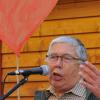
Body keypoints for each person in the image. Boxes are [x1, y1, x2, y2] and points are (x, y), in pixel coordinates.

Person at [34, 36, 100, 100]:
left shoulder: (96, 95)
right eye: (53, 57)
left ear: (82, 65)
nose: (58, 64)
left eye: (67, 58)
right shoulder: (41, 96)